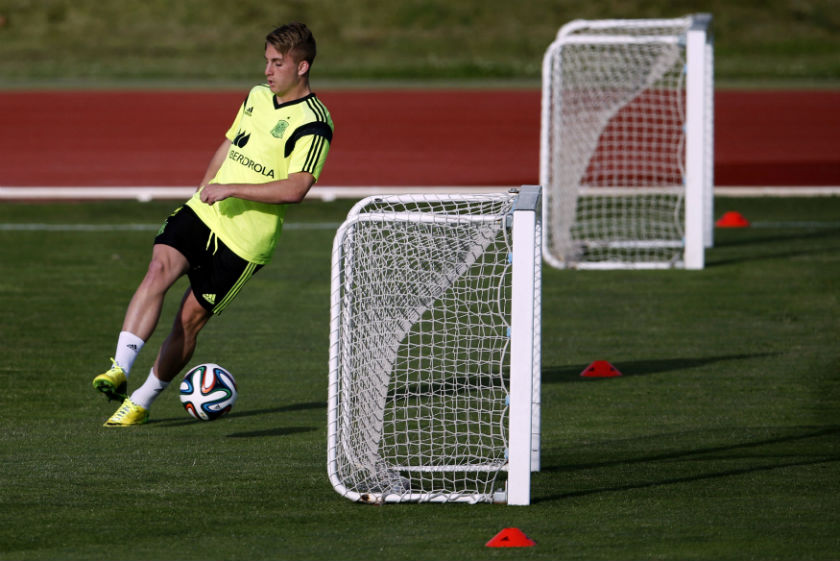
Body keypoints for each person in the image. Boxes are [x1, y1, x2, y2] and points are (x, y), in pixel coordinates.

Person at [92, 22, 333, 426]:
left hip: (245, 242)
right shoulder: (257, 97)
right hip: (204, 211)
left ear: (302, 67)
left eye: (277, 64)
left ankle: (140, 401)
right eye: (266, 62)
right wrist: (206, 185)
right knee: (158, 268)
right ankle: (119, 366)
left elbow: (296, 188)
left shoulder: (315, 122)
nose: (267, 71)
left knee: (188, 320)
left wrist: (231, 188)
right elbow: (231, 141)